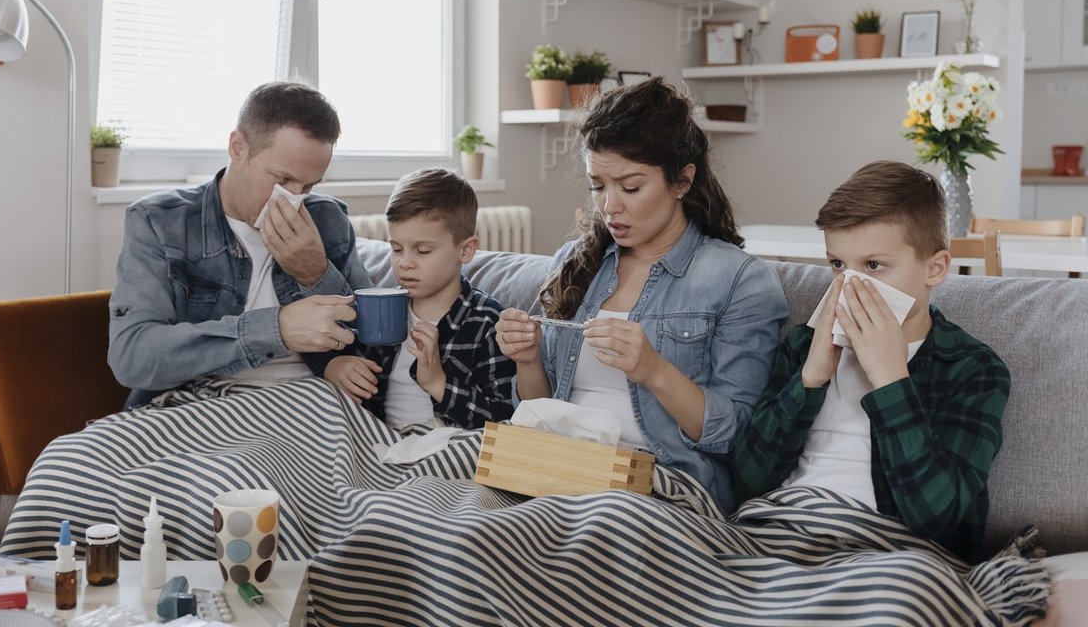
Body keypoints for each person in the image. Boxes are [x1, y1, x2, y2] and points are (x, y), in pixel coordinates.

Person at [496, 78, 789, 511]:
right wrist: (526, 359)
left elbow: (738, 436)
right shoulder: (574, 262)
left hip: (663, 485)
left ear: (682, 181)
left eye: (630, 187)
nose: (609, 206)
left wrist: (654, 371)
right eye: (598, 186)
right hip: (558, 467)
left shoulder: (740, 280)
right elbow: (540, 410)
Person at [730, 161, 1010, 561]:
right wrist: (810, 379)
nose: (849, 285)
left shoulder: (972, 369)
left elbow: (938, 518)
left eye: (874, 266)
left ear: (935, 269)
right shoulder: (806, 344)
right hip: (779, 532)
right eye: (838, 265)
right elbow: (747, 481)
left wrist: (891, 380)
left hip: (886, 553)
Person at [108, 81, 372, 407]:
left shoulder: (328, 220)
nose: (293, 200)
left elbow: (375, 346)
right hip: (195, 405)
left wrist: (316, 274)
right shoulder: (160, 222)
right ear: (238, 147)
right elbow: (132, 358)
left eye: (309, 186)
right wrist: (275, 329)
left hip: (306, 407)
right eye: (283, 179)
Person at [324, 168, 516, 429]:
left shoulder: (486, 322)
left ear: (465, 250)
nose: (404, 263)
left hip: (450, 444)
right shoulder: (381, 308)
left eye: (422, 250)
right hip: (381, 440)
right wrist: (336, 366)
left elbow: (504, 416)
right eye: (396, 249)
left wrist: (438, 383)